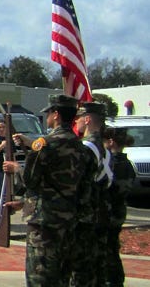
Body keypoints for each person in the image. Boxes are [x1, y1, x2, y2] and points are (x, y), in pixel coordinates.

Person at [4, 94, 93, 287]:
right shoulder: (82, 149)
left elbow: (31, 181)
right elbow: (86, 187)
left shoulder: (45, 145)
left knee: (40, 278)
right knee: (63, 278)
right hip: (71, 222)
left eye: (50, 113)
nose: (48, 118)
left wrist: (16, 169)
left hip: (45, 223)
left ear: (57, 115)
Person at [72, 102, 113, 287]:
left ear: (87, 119)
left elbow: (75, 181)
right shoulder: (104, 147)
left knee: (81, 267)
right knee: (97, 265)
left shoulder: (87, 147)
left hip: (85, 214)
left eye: (79, 118)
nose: (76, 122)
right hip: (100, 210)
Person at [103, 127, 136, 286]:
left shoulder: (112, 163)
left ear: (111, 142)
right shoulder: (127, 164)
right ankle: (116, 279)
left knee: (108, 249)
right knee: (112, 247)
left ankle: (112, 280)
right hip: (119, 210)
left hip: (109, 211)